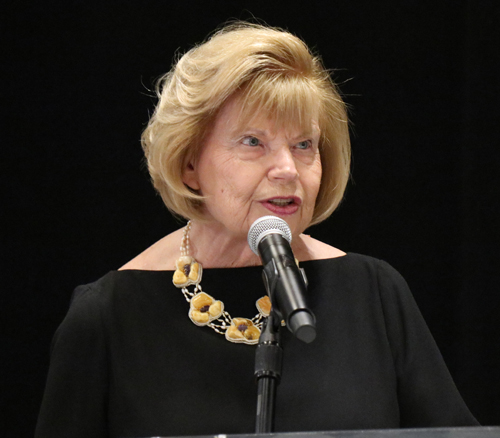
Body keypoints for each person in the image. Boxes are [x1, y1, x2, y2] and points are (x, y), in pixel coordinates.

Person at [36, 22, 478, 438]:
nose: (288, 169)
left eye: (304, 145)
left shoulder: (375, 295)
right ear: (190, 163)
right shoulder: (107, 317)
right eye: (254, 142)